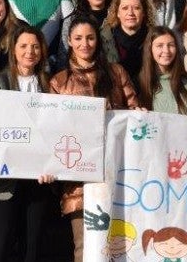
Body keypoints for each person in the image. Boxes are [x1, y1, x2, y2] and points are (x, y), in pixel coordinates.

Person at [49, 16, 139, 261]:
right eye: (78, 38)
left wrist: (139, 114)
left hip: (119, 173)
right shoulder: (58, 82)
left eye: (90, 37)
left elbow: (134, 112)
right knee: (85, 247)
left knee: (122, 245)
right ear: (69, 41)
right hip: (79, 181)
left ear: (98, 40)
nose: (84, 44)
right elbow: (53, 132)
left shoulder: (116, 72)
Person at [0, 26, 56, 262]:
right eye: (23, 46)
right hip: (5, 181)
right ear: (13, 50)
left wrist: (52, 166)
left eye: (35, 46)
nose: (30, 51)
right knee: (0, 248)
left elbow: (56, 130)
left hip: (39, 180)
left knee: (32, 249)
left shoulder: (51, 84)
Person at [137, 26, 187, 115]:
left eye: (171, 45)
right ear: (150, 49)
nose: (166, 50)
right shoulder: (140, 84)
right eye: (160, 46)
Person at [101, 0, 152, 79]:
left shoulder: (155, 39)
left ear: (144, 12)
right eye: (125, 8)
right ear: (117, 13)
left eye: (136, 8)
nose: (130, 13)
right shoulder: (103, 39)